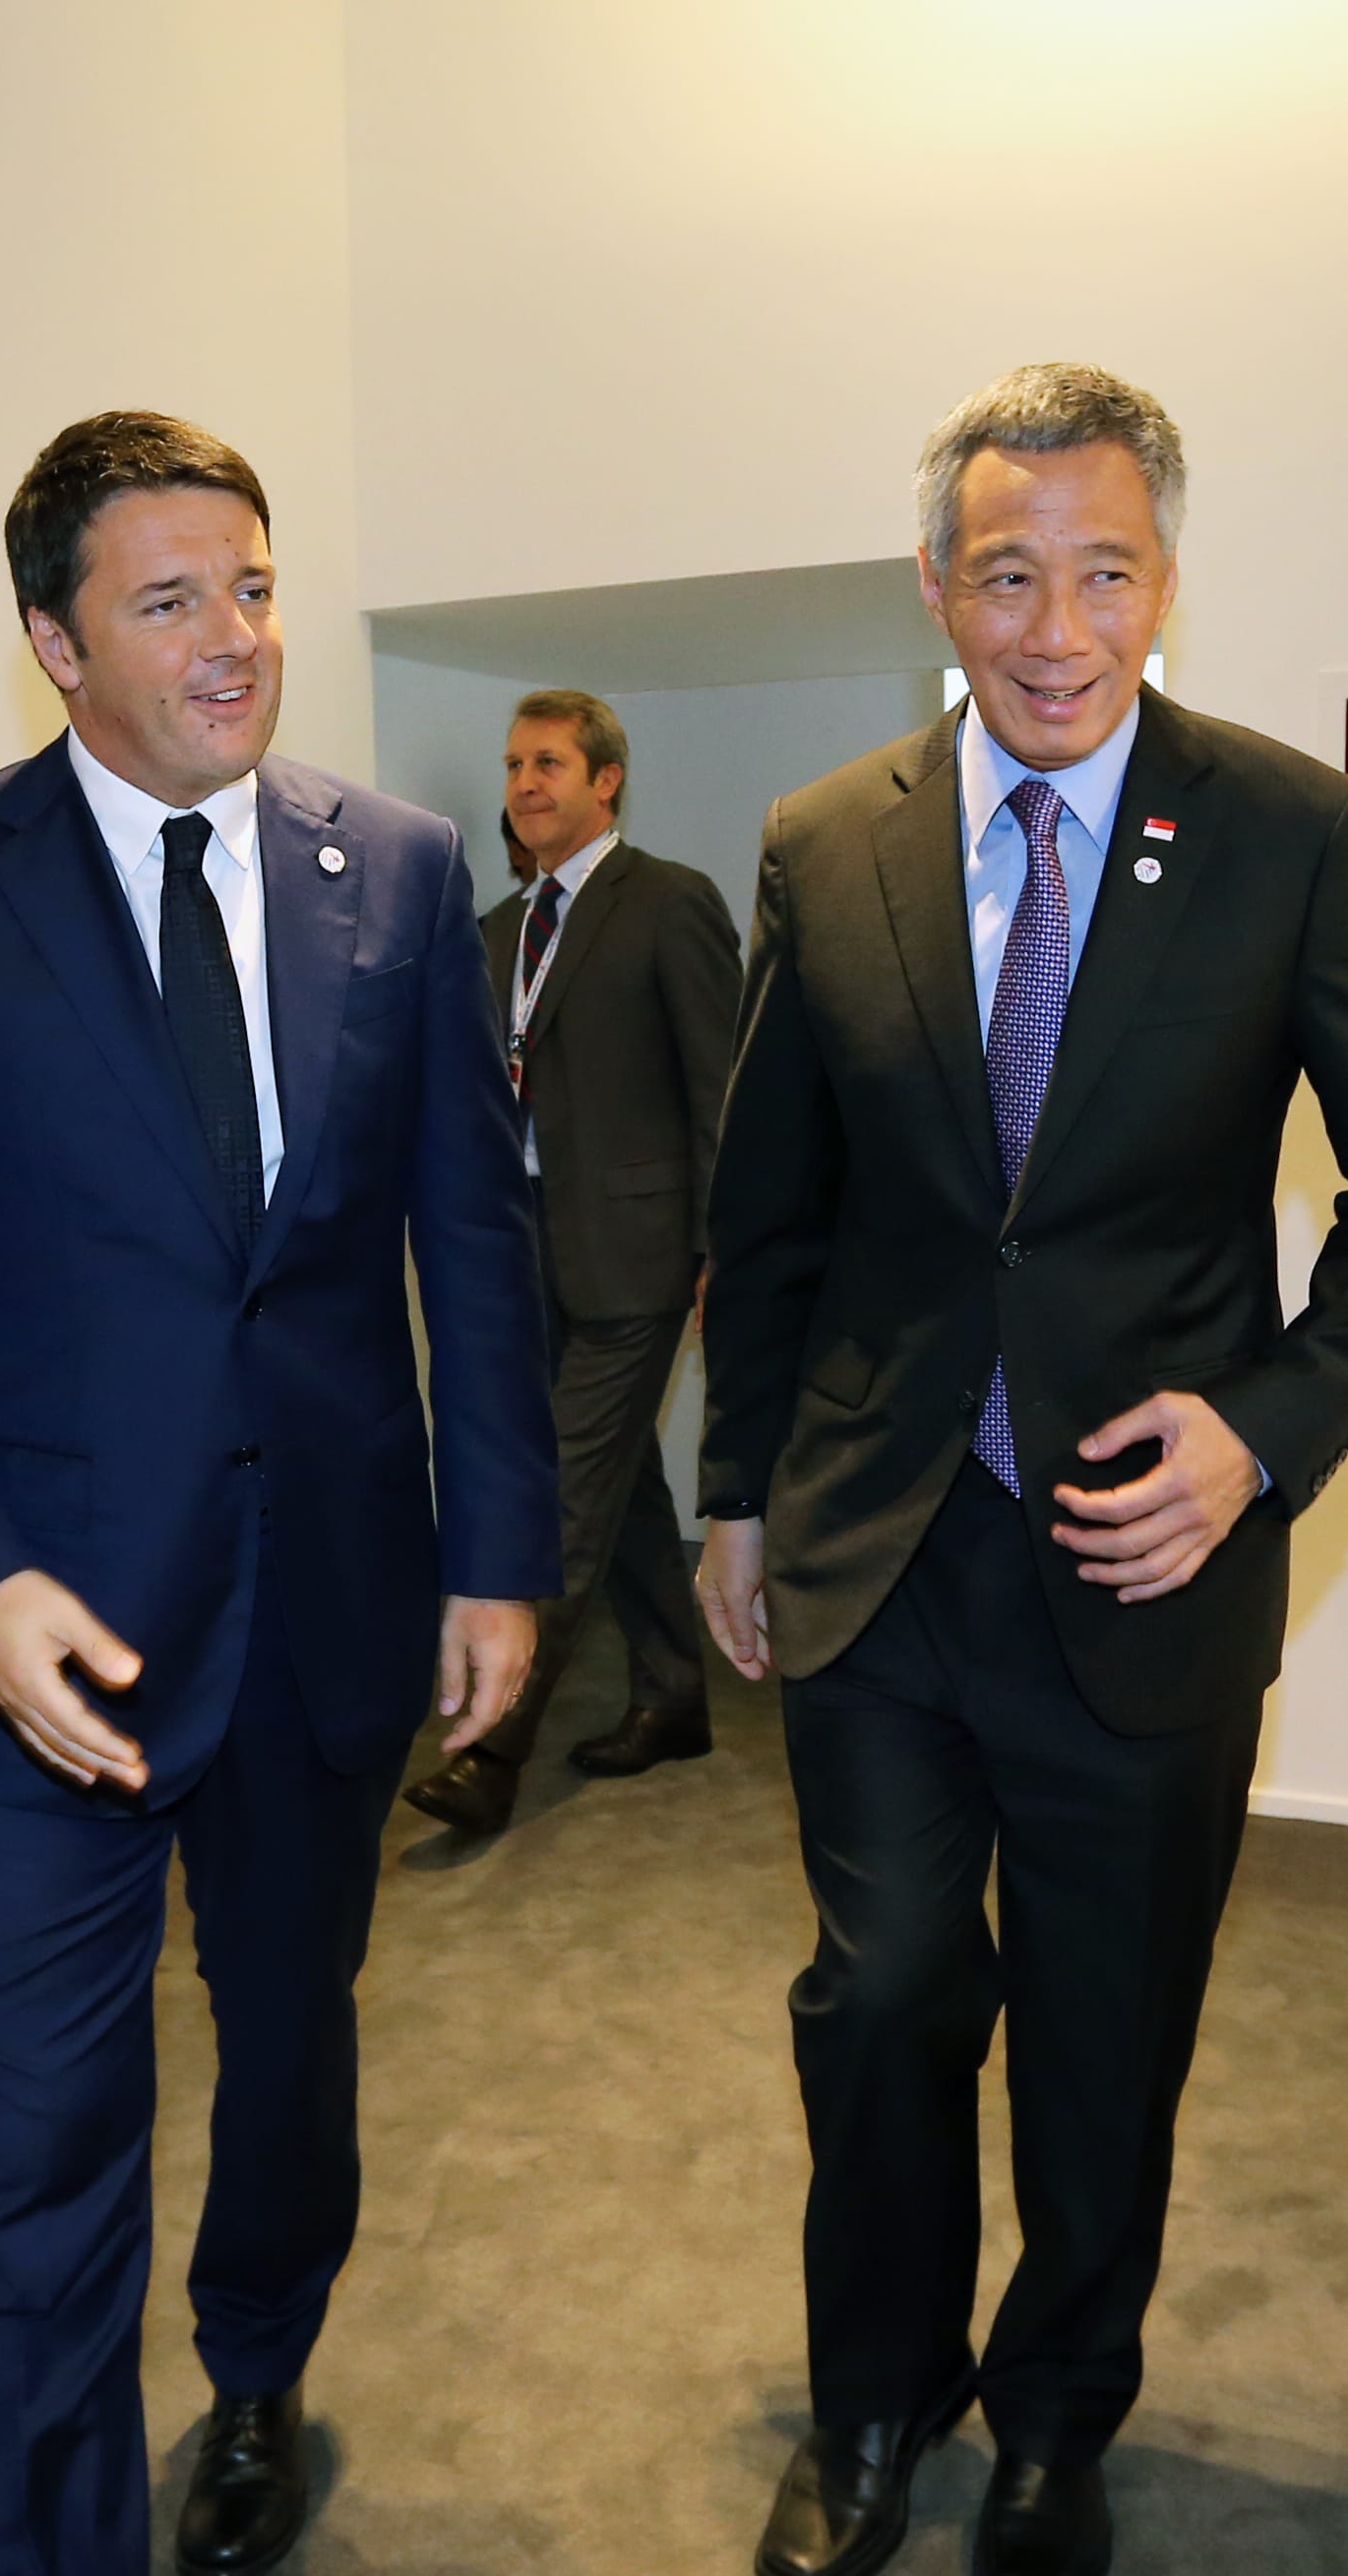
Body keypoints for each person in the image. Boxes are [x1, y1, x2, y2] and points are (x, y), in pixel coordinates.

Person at [699, 365, 1348, 2576]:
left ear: (1164, 581)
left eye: (1104, 572)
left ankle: (1056, 2413)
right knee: (879, 1995)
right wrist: (735, 1492)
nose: (1056, 628)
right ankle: (872, 2405)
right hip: (879, 1541)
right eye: (1007, 574)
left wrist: (1262, 1428)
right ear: (933, 583)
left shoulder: (1284, 835)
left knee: (1102, 2019)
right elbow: (769, 1212)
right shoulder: (822, 843)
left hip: (1148, 1556)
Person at [0, 410, 558, 2576]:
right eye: (166, 601)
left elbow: (468, 1247)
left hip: (321, 1612)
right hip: (43, 1655)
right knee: (49, 2159)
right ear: (55, 643)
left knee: (291, 2055)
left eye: (251, 587)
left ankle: (257, 2369)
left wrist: (498, 1556)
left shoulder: (395, 870)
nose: (232, 640)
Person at [401, 689, 741, 1834]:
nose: (523, 785)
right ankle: (672, 1694)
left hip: (637, 1252)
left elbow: (721, 1091)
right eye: (511, 766)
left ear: (605, 781)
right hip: (523, 1245)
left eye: (547, 763)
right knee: (619, 1480)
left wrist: (721, 1247)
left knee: (561, 1487)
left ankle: (493, 1749)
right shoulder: (495, 931)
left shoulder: (668, 903)